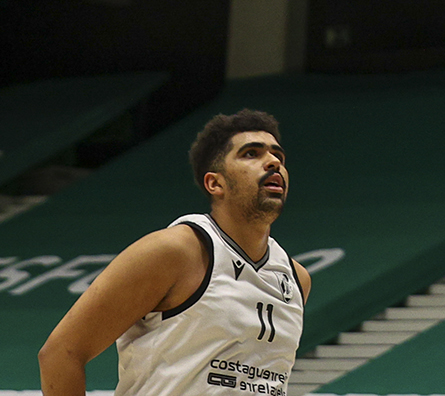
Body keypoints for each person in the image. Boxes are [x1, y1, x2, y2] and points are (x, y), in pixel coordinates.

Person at [39, 109, 310, 396]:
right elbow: (61, 353)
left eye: (278, 157)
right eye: (251, 154)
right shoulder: (174, 251)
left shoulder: (296, 279)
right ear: (215, 183)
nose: (273, 163)